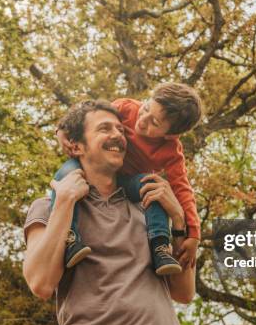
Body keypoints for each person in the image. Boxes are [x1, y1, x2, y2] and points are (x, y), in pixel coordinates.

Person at [23, 100, 197, 325]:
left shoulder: (149, 208)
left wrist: (178, 220)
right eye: (104, 128)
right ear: (76, 146)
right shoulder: (47, 208)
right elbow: (41, 284)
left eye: (120, 128)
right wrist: (66, 201)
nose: (118, 134)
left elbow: (184, 292)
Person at [50, 83, 202, 275]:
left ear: (171, 135)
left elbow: (182, 189)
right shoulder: (125, 107)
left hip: (127, 183)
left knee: (155, 187)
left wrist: (194, 234)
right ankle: (70, 238)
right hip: (92, 170)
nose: (143, 119)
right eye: (146, 107)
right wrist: (62, 130)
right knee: (65, 175)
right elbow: (90, 116)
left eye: (154, 122)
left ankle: (160, 246)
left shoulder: (171, 152)